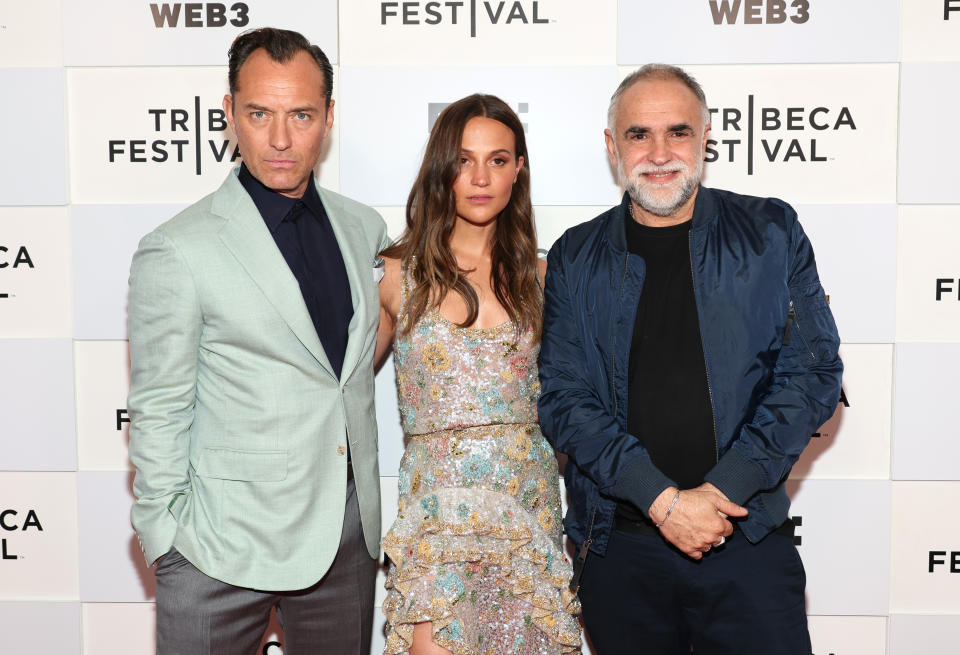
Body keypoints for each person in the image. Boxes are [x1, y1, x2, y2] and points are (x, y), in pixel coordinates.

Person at [537, 64, 843, 654]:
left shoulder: (771, 230)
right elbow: (565, 400)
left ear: (706, 137)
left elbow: (812, 373)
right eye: (637, 135)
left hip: (747, 540)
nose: (658, 153)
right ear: (611, 146)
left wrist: (721, 491)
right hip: (620, 551)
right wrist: (661, 499)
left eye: (677, 132)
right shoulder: (576, 255)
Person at [127, 27, 390, 655]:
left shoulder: (364, 228)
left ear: (328, 117)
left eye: (300, 115)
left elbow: (345, 368)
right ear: (229, 114)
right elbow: (158, 405)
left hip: (342, 541)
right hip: (218, 548)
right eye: (259, 114)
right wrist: (165, 540)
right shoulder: (179, 248)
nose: (279, 139)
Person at [375, 94, 581, 655]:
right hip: (436, 514)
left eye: (498, 159)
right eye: (464, 160)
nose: (480, 177)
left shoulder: (545, 278)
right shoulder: (395, 274)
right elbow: (335, 390)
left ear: (519, 169)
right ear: (442, 169)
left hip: (526, 510)